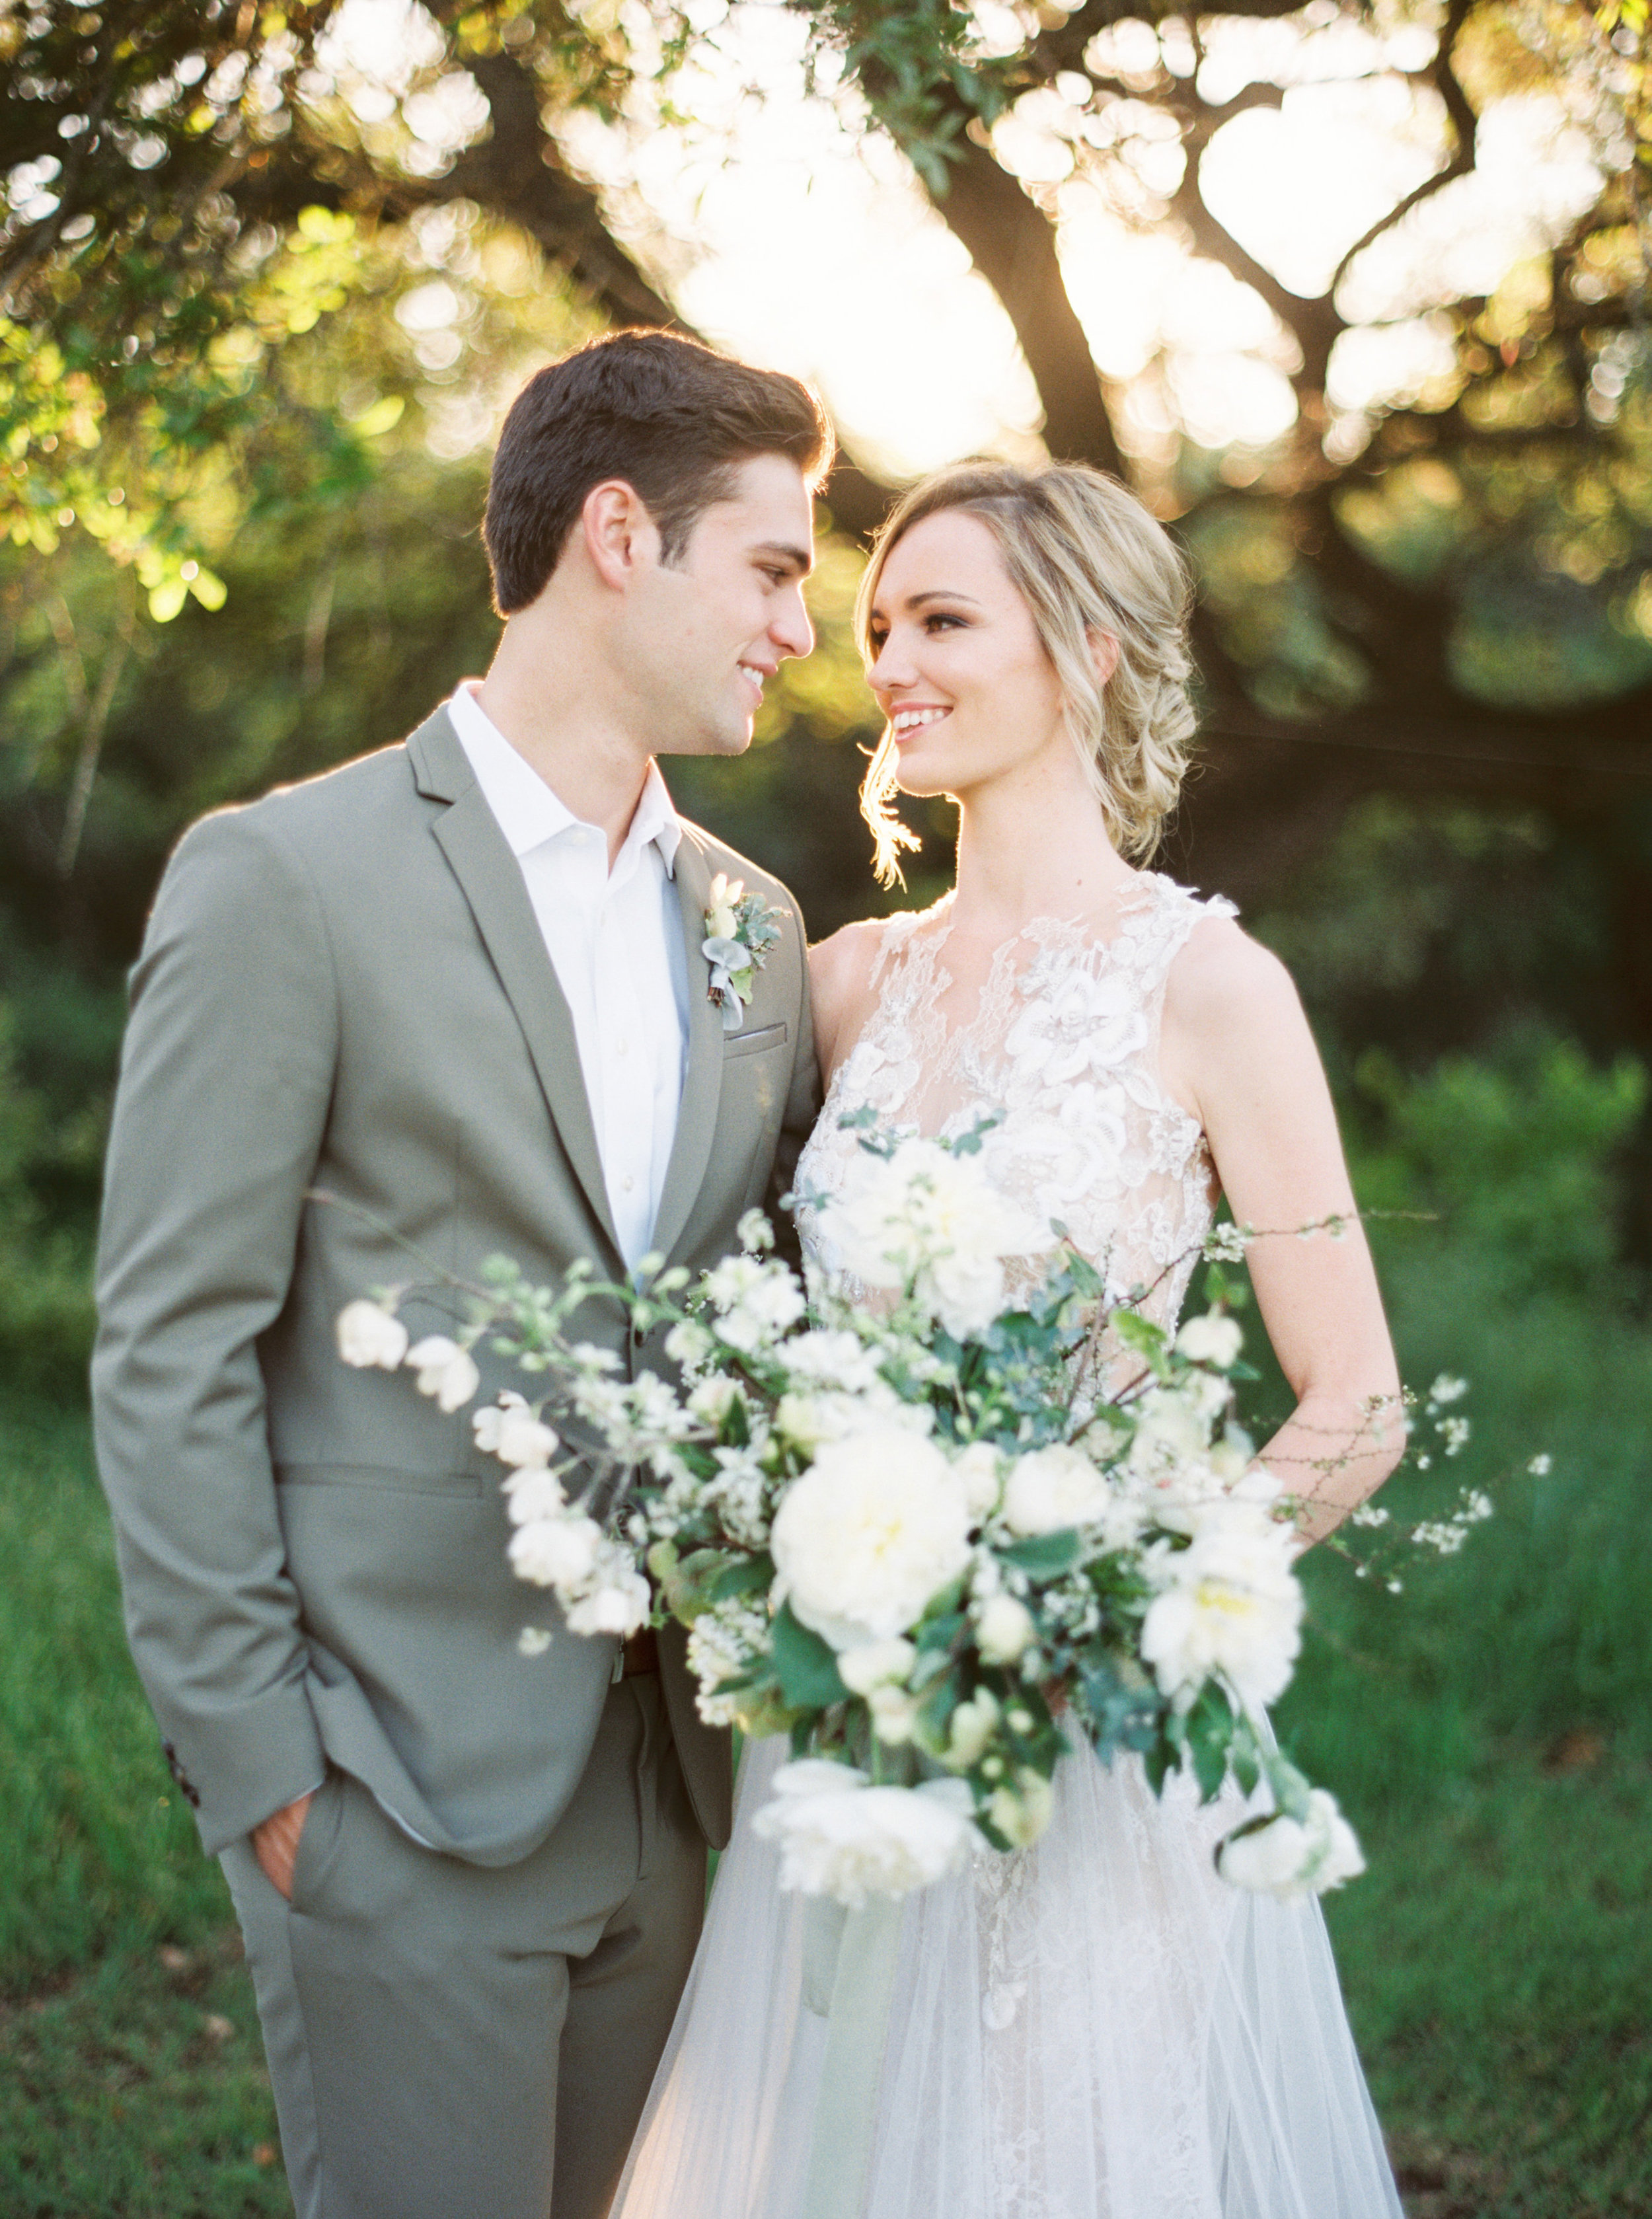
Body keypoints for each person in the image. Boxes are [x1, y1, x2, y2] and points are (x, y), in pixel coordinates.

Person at [609, 460, 1408, 2219]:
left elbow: (1351, 1405)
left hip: (1095, 1746)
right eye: (881, 624)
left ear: (1091, 647)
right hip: (846, 1722)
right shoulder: (837, 986)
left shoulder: (1207, 989)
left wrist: (1100, 1617)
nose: (889, 660)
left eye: (942, 620)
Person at [91, 328, 831, 2219]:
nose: (794, 629)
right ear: (615, 533)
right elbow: (171, 1343)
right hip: (390, 1789)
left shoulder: (753, 923)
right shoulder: (288, 877)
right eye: (769, 567)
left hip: (679, 1787)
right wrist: (269, 1774)